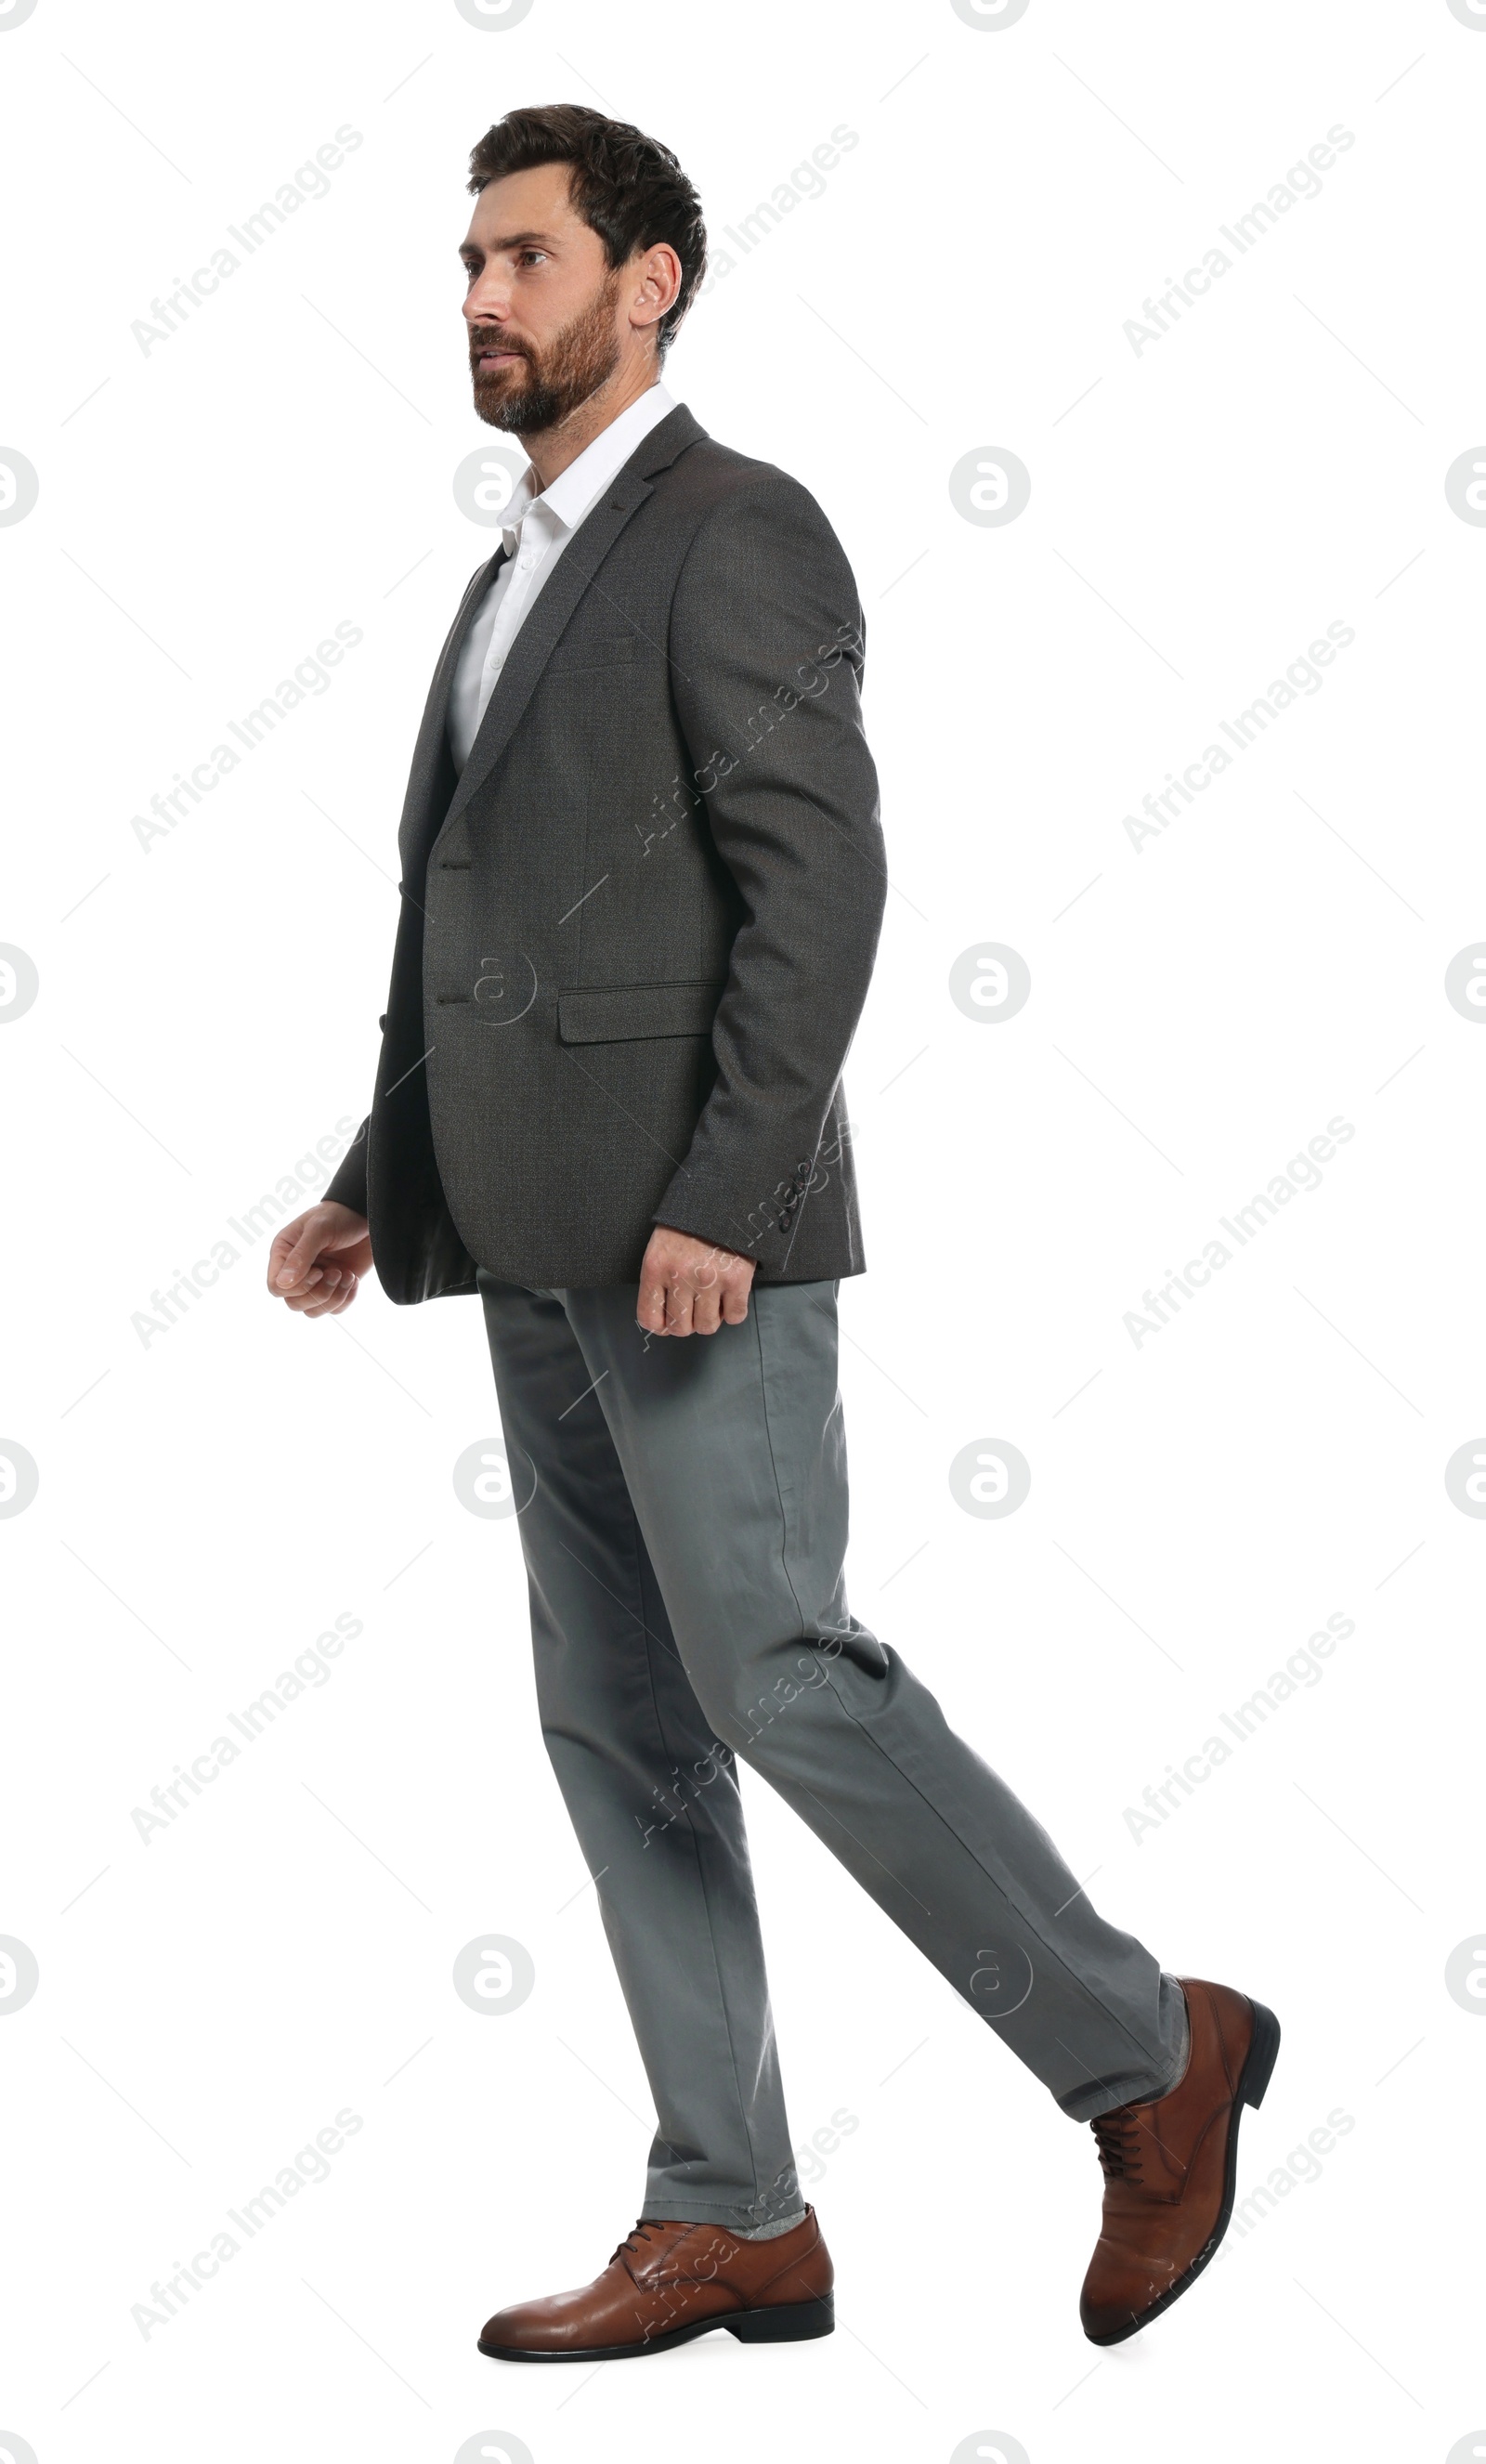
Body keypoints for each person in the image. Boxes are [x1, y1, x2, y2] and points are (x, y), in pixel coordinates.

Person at [267, 102, 1279, 2364]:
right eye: (464, 266)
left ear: (653, 282)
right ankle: (730, 2206)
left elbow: (816, 890)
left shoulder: (736, 529)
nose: (481, 301)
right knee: (615, 1717)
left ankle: (1144, 2052)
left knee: (773, 1674)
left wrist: (725, 1194)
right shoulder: (507, 564)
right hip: (523, 1240)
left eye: (523, 260)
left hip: (693, 1239)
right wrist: (374, 1174)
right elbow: (480, 931)